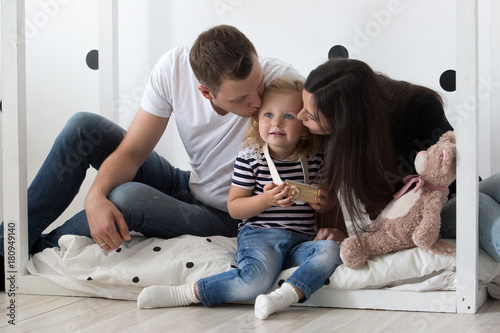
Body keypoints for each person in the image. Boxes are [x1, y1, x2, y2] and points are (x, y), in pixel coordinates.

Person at [0, 25, 304, 291]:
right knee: (83, 127)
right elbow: (132, 153)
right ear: (206, 92)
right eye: (240, 98)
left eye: (258, 85)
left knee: (126, 197)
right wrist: (94, 196)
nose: (256, 101)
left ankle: (35, 252)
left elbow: (327, 149)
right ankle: (5, 251)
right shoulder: (173, 68)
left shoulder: (283, 82)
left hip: (228, 213)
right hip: (185, 184)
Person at [136, 77, 342, 320]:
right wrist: (265, 201)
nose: (276, 122)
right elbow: (234, 208)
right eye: (268, 115)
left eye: (288, 116)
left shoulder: (316, 159)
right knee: (256, 280)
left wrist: (321, 200)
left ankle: (284, 296)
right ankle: (185, 294)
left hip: (299, 242)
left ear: (305, 125)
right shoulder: (251, 158)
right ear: (256, 119)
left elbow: (329, 203)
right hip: (260, 237)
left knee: (332, 249)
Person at [297, 58, 500, 262]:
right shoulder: (338, 141)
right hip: (414, 217)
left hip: (451, 194)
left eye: (311, 116)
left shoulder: (419, 106)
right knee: (478, 206)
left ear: (347, 122)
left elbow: (451, 165)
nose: (299, 115)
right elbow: (379, 214)